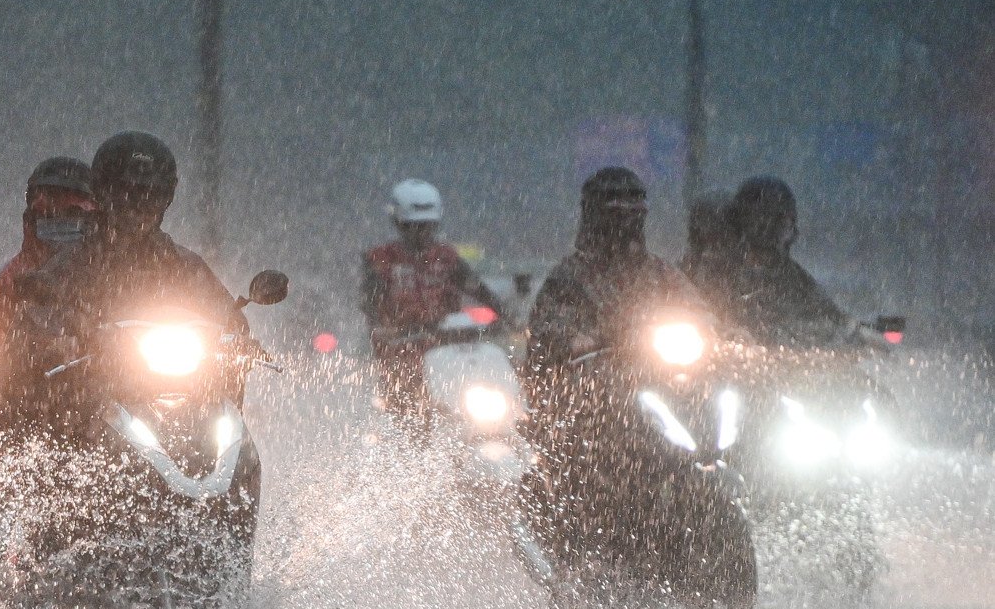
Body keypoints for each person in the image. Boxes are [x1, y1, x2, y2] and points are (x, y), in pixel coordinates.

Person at [0, 131, 251, 452]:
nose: (138, 205)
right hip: (89, 413)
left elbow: (227, 317)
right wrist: (63, 340)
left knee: (227, 432)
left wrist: (240, 338)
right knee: (56, 433)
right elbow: (33, 322)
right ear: (104, 194)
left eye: (150, 194)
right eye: (126, 193)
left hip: (178, 403)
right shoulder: (69, 263)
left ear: (166, 199)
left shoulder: (183, 265)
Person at [523, 167, 705, 423]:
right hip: (591, 405)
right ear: (596, 211)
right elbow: (549, 336)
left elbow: (697, 310)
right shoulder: (568, 278)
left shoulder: (661, 273)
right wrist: (589, 339)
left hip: (664, 387)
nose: (629, 208)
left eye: (635, 199)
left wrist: (721, 332)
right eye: (617, 200)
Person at [0, 157, 97, 446]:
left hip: (106, 394)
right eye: (49, 214)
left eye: (71, 213)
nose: (59, 223)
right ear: (33, 216)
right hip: (32, 406)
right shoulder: (15, 276)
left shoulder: (112, 268)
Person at [360, 179, 498, 427]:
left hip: (448, 355)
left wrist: (510, 318)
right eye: (414, 226)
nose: (422, 233)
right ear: (399, 224)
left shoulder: (446, 258)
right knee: (411, 419)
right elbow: (370, 302)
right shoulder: (380, 260)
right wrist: (386, 327)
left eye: (428, 226)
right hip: (402, 356)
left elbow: (479, 290)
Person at [716, 176, 856, 349]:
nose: (769, 229)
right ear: (742, 223)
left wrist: (848, 335)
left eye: (781, 222)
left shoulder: (795, 279)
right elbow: (691, 310)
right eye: (762, 219)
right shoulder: (715, 271)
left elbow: (832, 321)